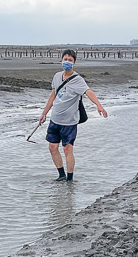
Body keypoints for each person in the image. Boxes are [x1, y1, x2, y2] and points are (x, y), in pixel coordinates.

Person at [38, 49, 108, 182]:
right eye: (65, 59)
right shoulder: (57, 76)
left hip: (69, 122)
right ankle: (61, 174)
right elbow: (53, 95)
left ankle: (70, 179)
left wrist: (99, 106)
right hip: (55, 119)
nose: (67, 62)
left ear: (74, 62)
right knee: (52, 147)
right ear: (61, 61)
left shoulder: (78, 80)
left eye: (70, 60)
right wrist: (44, 113)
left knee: (67, 149)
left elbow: (88, 92)